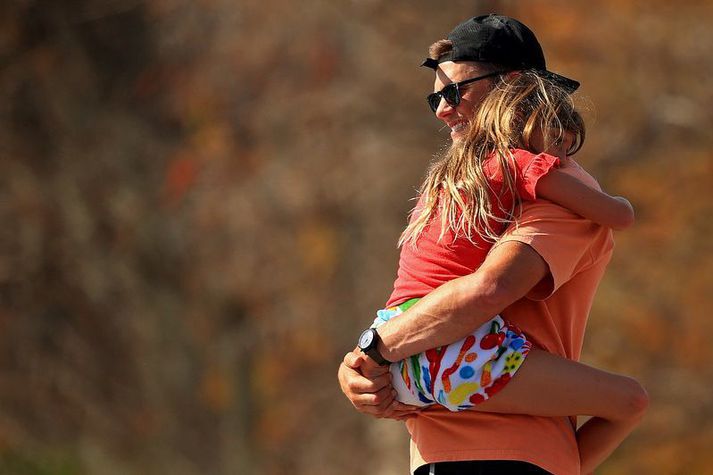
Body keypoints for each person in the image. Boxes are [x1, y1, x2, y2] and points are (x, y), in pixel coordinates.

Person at [338, 14, 648, 475]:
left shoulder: (452, 185)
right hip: (492, 444)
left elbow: (420, 305)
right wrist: (370, 358)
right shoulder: (525, 173)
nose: (443, 110)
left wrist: (371, 356)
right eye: (435, 98)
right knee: (630, 399)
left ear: (512, 88)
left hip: (453, 425)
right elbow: (488, 289)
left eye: (454, 91)